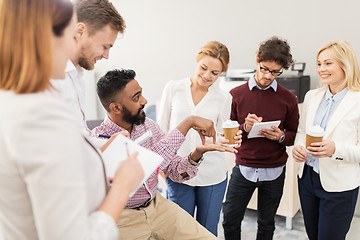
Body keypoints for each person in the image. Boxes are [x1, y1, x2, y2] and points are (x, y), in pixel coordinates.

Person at [0, 0, 144, 239]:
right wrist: (122, 187)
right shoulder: (43, 115)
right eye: (71, 36)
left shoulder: (13, 100)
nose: (73, 48)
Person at [92, 69, 239, 240]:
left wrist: (197, 153)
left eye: (141, 94)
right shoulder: (100, 142)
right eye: (136, 97)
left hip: (157, 206)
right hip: (123, 218)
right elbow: (145, 170)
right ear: (115, 107)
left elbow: (175, 171)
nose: (144, 101)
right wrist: (187, 123)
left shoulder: (148, 126)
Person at [157, 41, 240, 236]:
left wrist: (232, 139)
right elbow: (161, 131)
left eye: (215, 73)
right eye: (203, 68)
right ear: (197, 61)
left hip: (212, 175)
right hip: (178, 174)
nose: (207, 76)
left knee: (207, 232)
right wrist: (164, 172)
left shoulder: (223, 97)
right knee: (179, 232)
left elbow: (222, 135)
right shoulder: (173, 88)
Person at [222, 36, 299, 240]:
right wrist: (244, 127)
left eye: (275, 72)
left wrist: (281, 136)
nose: (268, 76)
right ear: (257, 60)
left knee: (267, 224)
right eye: (264, 68)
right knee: (229, 220)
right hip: (244, 168)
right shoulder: (235, 95)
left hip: (274, 171)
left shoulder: (289, 99)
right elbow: (227, 134)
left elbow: (293, 136)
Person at [292, 40, 360, 240]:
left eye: (328, 63)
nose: (321, 69)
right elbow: (302, 131)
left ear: (345, 64)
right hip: (307, 179)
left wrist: (335, 149)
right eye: (319, 64)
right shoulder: (312, 96)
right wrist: (298, 147)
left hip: (339, 187)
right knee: (313, 235)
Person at [49, 0, 124, 146]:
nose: (106, 55)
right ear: (80, 32)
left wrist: (109, 144)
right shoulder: (51, 77)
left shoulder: (77, 74)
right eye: (104, 47)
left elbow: (80, 138)